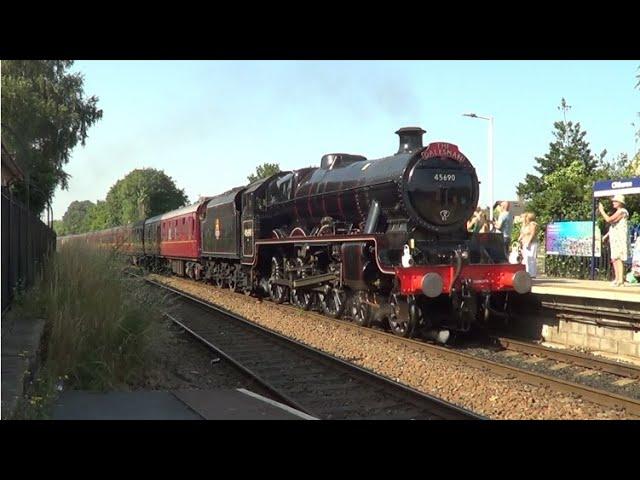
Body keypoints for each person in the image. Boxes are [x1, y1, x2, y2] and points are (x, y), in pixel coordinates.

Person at [598, 194, 629, 287]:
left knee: (619, 257)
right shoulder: (618, 211)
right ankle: (617, 278)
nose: (613, 203)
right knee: (614, 258)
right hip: (615, 237)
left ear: (620, 203)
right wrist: (607, 235)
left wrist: (602, 211)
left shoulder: (622, 211)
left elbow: (609, 220)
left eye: (615, 201)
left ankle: (620, 280)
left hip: (620, 237)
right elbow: (613, 226)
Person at [518, 212, 539, 277]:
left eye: (526, 217)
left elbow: (532, 234)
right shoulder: (526, 225)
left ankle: (532, 274)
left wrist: (528, 242)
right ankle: (527, 272)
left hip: (531, 243)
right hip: (525, 243)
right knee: (526, 258)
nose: (525, 218)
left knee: (531, 258)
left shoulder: (533, 224)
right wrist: (520, 239)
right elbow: (523, 233)